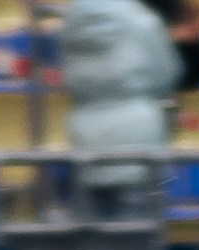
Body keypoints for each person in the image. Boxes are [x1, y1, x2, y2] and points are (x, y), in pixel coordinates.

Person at [61, 0, 183, 217]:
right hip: (138, 130)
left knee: (95, 223)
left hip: (85, 129)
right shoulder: (142, 20)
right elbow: (167, 73)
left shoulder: (72, 23)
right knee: (139, 225)